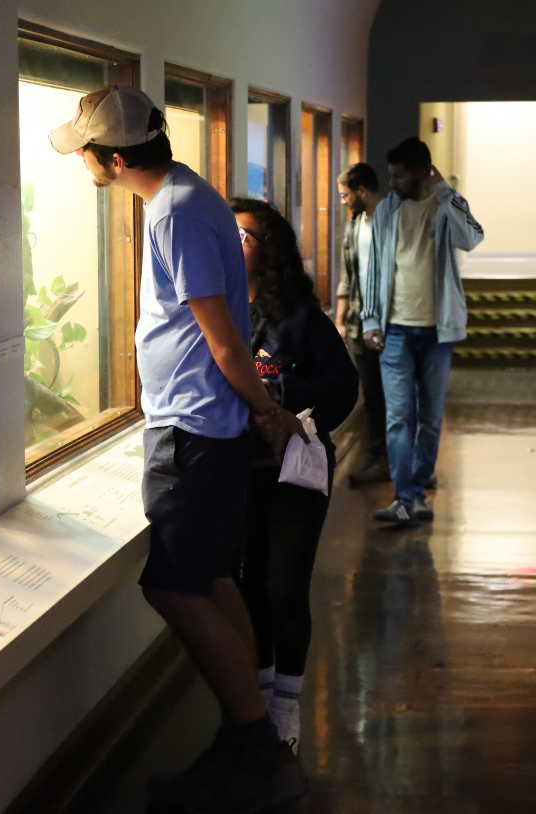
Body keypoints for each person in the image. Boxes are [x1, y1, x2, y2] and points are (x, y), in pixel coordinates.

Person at [51, 86, 309, 813]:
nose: (85, 162)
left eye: (89, 152)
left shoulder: (177, 213)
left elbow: (221, 337)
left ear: (117, 156)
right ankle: (243, 735)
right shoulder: (188, 196)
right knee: (208, 579)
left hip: (195, 430)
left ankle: (258, 747)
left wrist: (267, 411)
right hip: (200, 425)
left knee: (174, 586)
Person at [231, 198, 359, 754]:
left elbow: (343, 389)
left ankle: (287, 709)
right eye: (225, 233)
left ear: (271, 250)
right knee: (247, 587)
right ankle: (258, 703)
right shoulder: (219, 309)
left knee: (284, 587)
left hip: (294, 473)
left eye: (245, 236)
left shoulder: (300, 318)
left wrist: (286, 401)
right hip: (237, 473)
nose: (232, 244)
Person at [361, 137, 484, 523]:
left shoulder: (446, 206)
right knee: (399, 418)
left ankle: (416, 493)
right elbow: (375, 267)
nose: (393, 182)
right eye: (391, 175)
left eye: (399, 175)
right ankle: (406, 497)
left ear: (420, 173)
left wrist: (446, 191)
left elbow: (473, 238)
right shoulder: (385, 212)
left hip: (437, 332)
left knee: (429, 419)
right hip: (394, 328)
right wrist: (370, 319)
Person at [335, 163, 389, 487]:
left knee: (396, 395)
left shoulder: (391, 223)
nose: (342, 201)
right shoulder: (354, 227)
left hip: (390, 325)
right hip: (360, 324)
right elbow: (348, 276)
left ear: (361, 192)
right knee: (372, 395)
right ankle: (378, 456)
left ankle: (400, 461)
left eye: (345, 195)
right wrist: (340, 318)